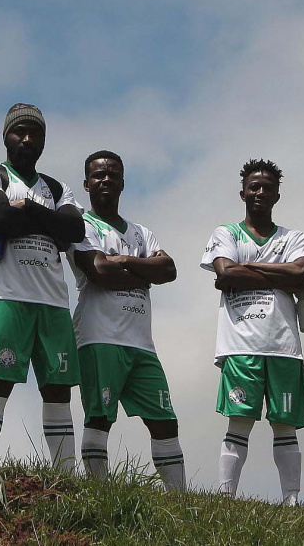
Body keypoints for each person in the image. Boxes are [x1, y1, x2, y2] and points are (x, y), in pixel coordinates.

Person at [0, 103, 85, 471]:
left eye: (36, 133)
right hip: (7, 296)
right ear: (6, 135)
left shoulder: (56, 186)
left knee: (58, 391)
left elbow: (75, 231)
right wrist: (47, 221)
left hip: (52, 301)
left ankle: (66, 477)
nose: (28, 139)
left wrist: (30, 211)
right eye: (20, 131)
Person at [67, 150, 185, 490]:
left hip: (141, 345)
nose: (106, 179)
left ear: (122, 182)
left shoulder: (141, 232)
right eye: (99, 174)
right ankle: (100, 493)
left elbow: (169, 269)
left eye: (113, 174)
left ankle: (180, 499)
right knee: (100, 418)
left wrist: (123, 262)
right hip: (98, 337)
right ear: (86, 183)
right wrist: (142, 269)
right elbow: (101, 271)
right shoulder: (82, 226)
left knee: (165, 421)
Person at [200, 159, 304, 505]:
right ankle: (226, 498)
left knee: (285, 425)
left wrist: (245, 267)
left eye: (267, 187)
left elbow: (301, 270)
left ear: (277, 195)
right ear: (243, 193)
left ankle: (291, 501)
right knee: (239, 421)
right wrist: (284, 277)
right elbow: (225, 272)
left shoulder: (293, 237)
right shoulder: (226, 233)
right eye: (254, 186)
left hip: (283, 345)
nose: (260, 192)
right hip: (240, 345)